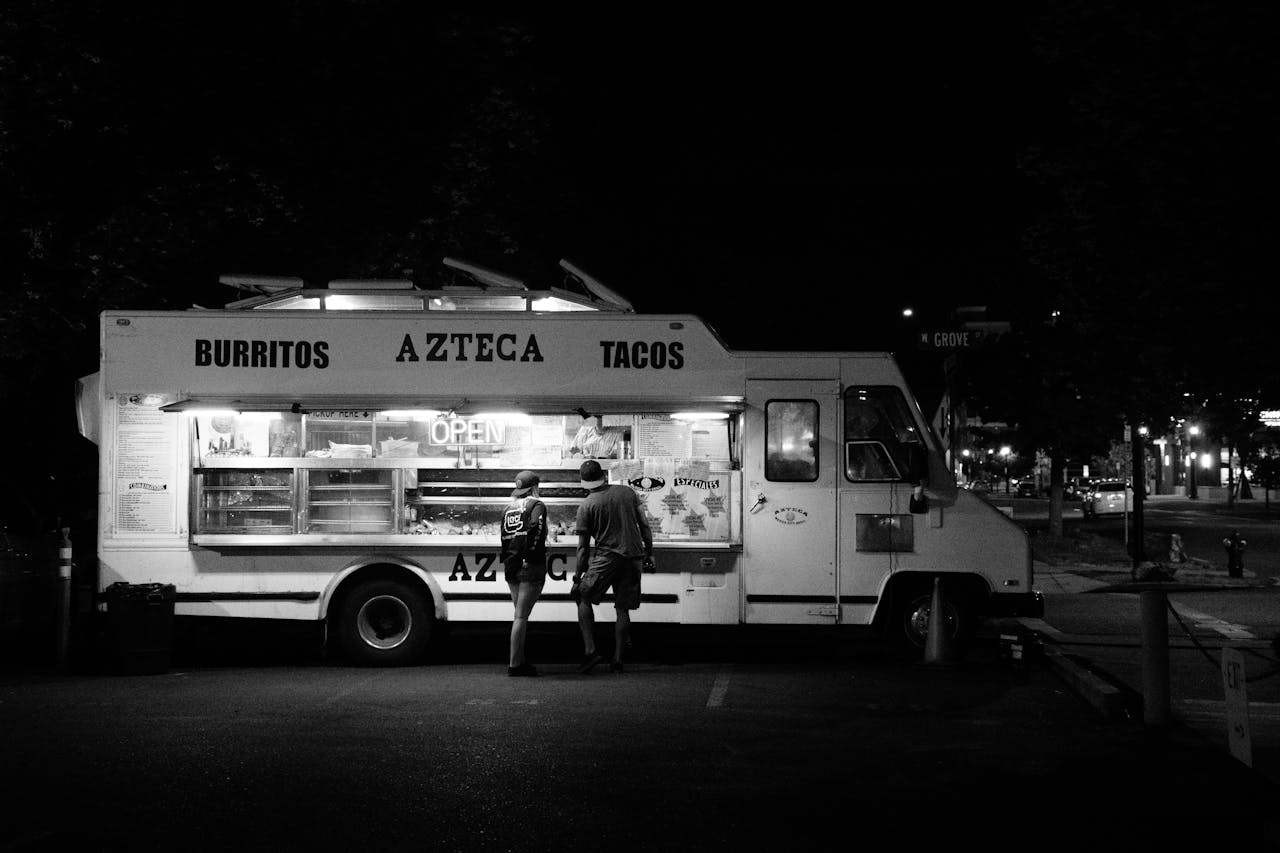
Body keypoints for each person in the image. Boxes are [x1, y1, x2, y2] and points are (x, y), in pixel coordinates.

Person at [571, 459, 654, 674]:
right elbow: (644, 525)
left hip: (606, 558)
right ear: (603, 476)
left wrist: (577, 576)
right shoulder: (627, 492)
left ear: (584, 482)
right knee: (622, 608)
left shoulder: (587, 505)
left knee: (582, 596)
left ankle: (591, 651)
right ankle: (617, 659)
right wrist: (650, 553)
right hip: (633, 556)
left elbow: (582, 548)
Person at [499, 471, 548, 677]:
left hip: (511, 565)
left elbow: (503, 536)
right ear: (535, 487)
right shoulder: (537, 505)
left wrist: (510, 559)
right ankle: (515, 665)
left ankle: (519, 661)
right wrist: (531, 556)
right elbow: (536, 527)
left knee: (519, 615)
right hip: (529, 565)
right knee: (521, 616)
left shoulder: (507, 508)